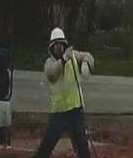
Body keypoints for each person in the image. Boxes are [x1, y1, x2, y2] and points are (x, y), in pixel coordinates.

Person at [34, 27, 94, 158]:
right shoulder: (49, 63)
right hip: (59, 112)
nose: (59, 47)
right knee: (47, 144)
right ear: (52, 46)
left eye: (61, 44)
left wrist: (86, 63)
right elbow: (51, 74)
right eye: (56, 44)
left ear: (64, 44)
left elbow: (88, 56)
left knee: (82, 145)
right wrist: (63, 60)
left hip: (75, 109)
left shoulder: (72, 56)